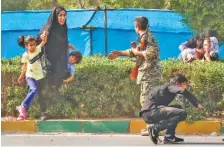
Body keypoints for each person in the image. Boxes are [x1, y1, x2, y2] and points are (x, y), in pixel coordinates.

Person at [108, 16, 161, 135]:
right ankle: (152, 127)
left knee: (147, 101)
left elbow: (152, 53)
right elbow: (133, 51)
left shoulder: (149, 37)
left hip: (150, 75)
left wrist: (138, 52)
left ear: (137, 26)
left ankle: (153, 128)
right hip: (147, 75)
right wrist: (119, 53)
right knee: (148, 100)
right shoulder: (144, 38)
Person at [139, 73, 203, 144]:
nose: (186, 86)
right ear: (178, 83)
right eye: (185, 84)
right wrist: (197, 103)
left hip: (151, 112)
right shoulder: (170, 86)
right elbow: (183, 91)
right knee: (182, 113)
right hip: (151, 112)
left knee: (178, 108)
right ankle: (155, 128)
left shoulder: (167, 88)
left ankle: (169, 136)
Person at [36, 6, 75, 120]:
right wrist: (42, 38)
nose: (63, 18)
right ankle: (43, 112)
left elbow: (61, 42)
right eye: (60, 15)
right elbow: (37, 40)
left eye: (64, 16)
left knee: (57, 84)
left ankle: (56, 109)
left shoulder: (64, 28)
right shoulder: (48, 28)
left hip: (59, 62)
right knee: (44, 87)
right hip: (48, 62)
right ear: (55, 16)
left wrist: (67, 45)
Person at [17, 33, 48, 120]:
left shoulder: (38, 49)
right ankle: (23, 105)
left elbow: (44, 42)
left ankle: (22, 113)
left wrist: (44, 35)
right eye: (30, 45)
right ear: (26, 46)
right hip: (30, 76)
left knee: (32, 93)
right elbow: (24, 67)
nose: (33, 46)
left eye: (34, 44)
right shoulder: (25, 55)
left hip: (38, 76)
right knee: (34, 90)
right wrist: (21, 76)